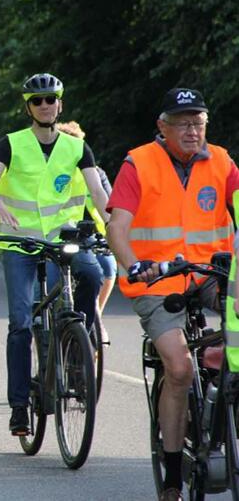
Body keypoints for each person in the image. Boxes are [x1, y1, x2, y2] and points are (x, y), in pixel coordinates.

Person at [107, 88, 237, 501]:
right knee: (179, 369)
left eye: (198, 122)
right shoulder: (138, 163)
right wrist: (134, 266)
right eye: (183, 123)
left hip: (212, 274)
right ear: (162, 128)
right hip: (157, 281)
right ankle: (173, 475)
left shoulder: (221, 161)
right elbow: (118, 229)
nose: (192, 131)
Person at [0, 73, 108, 437]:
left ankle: (75, 349)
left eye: (51, 99)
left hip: (60, 241)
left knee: (93, 275)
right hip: (19, 243)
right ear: (28, 107)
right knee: (21, 322)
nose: (45, 105)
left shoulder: (77, 147)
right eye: (37, 101)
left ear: (60, 103)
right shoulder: (11, 143)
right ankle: (19, 406)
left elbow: (98, 193)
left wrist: (111, 222)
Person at [56, 121, 117, 343]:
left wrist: (114, 230)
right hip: (58, 233)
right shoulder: (54, 173)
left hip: (90, 233)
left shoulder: (96, 173)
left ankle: (95, 313)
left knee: (108, 268)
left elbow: (109, 203)